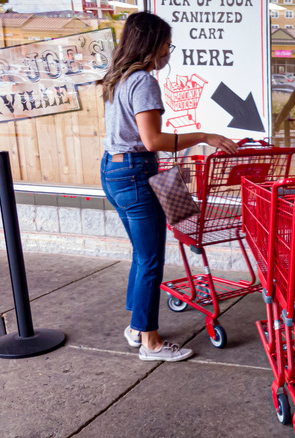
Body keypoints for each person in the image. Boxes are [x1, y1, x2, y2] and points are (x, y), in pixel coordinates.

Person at [97, 12, 238, 362]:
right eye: (166, 44)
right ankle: (151, 342)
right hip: (134, 173)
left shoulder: (118, 78)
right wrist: (206, 135)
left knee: (141, 256)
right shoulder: (143, 81)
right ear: (152, 44)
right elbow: (153, 139)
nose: (168, 52)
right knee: (151, 261)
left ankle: (136, 327)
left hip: (113, 170)